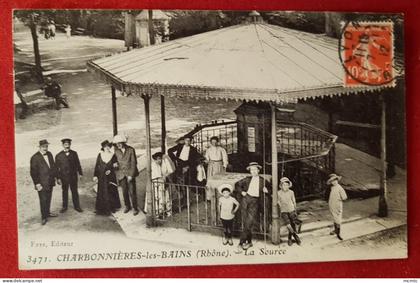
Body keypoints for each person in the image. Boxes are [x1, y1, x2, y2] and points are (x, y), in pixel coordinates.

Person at [236, 162, 271, 251]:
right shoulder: (247, 179)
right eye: (252, 170)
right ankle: (249, 242)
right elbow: (237, 185)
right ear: (250, 171)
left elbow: (271, 189)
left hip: (255, 201)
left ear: (258, 170)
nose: (254, 171)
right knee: (246, 221)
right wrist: (242, 192)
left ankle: (241, 243)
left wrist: (267, 191)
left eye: (255, 169)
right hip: (245, 200)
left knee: (249, 222)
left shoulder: (263, 181)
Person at [30, 139, 58, 225]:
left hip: (50, 181)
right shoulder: (34, 157)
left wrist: (57, 177)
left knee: (48, 198)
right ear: (40, 147)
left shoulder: (49, 154)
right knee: (43, 200)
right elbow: (33, 172)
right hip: (41, 183)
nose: (45, 148)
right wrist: (37, 183)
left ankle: (48, 213)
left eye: (46, 146)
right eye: (43, 147)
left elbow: (53, 167)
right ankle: (44, 217)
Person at [55, 138, 83, 213]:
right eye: (65, 144)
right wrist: (58, 178)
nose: (67, 146)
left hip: (73, 177)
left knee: (74, 191)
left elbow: (78, 164)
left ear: (70, 145)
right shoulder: (58, 155)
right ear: (63, 145)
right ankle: (64, 207)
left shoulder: (74, 153)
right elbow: (56, 168)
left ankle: (77, 206)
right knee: (65, 191)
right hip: (64, 177)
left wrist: (80, 173)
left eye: (68, 144)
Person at [113, 134, 139, 215]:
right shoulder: (116, 151)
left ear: (123, 142)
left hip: (130, 174)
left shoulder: (131, 150)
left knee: (132, 192)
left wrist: (131, 175)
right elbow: (114, 160)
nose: (118, 145)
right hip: (121, 174)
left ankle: (135, 208)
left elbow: (134, 163)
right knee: (124, 192)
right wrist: (115, 164)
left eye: (120, 143)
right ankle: (127, 206)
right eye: (117, 144)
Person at [93, 140, 121, 215]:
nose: (107, 148)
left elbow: (116, 166)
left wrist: (111, 170)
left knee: (111, 191)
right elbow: (97, 166)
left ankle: (112, 207)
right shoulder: (100, 155)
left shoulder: (113, 155)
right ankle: (101, 208)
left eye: (108, 146)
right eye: (105, 147)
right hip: (101, 176)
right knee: (102, 191)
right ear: (103, 147)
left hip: (110, 176)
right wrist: (95, 175)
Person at [145, 152, 174, 217]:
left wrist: (165, 176)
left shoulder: (164, 162)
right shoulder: (153, 165)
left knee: (165, 196)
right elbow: (154, 175)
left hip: (164, 182)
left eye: (160, 159)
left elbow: (170, 171)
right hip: (156, 182)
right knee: (157, 197)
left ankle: (167, 211)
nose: (159, 160)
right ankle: (157, 212)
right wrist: (160, 178)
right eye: (157, 159)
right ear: (155, 159)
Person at [278, 177, 302, 246]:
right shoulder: (279, 193)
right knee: (288, 225)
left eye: (287, 185)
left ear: (289, 185)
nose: (285, 186)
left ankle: (289, 239)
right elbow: (278, 202)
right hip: (284, 211)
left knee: (292, 224)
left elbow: (294, 201)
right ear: (281, 185)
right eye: (284, 185)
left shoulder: (291, 192)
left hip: (291, 209)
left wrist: (295, 209)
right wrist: (281, 206)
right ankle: (295, 236)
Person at [327, 173, 348, 240]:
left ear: (337, 180)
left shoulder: (339, 188)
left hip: (337, 206)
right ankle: (336, 230)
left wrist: (339, 199)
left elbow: (344, 197)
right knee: (335, 218)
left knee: (338, 220)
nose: (334, 182)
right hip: (332, 205)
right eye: (332, 181)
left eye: (335, 180)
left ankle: (338, 233)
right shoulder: (332, 188)